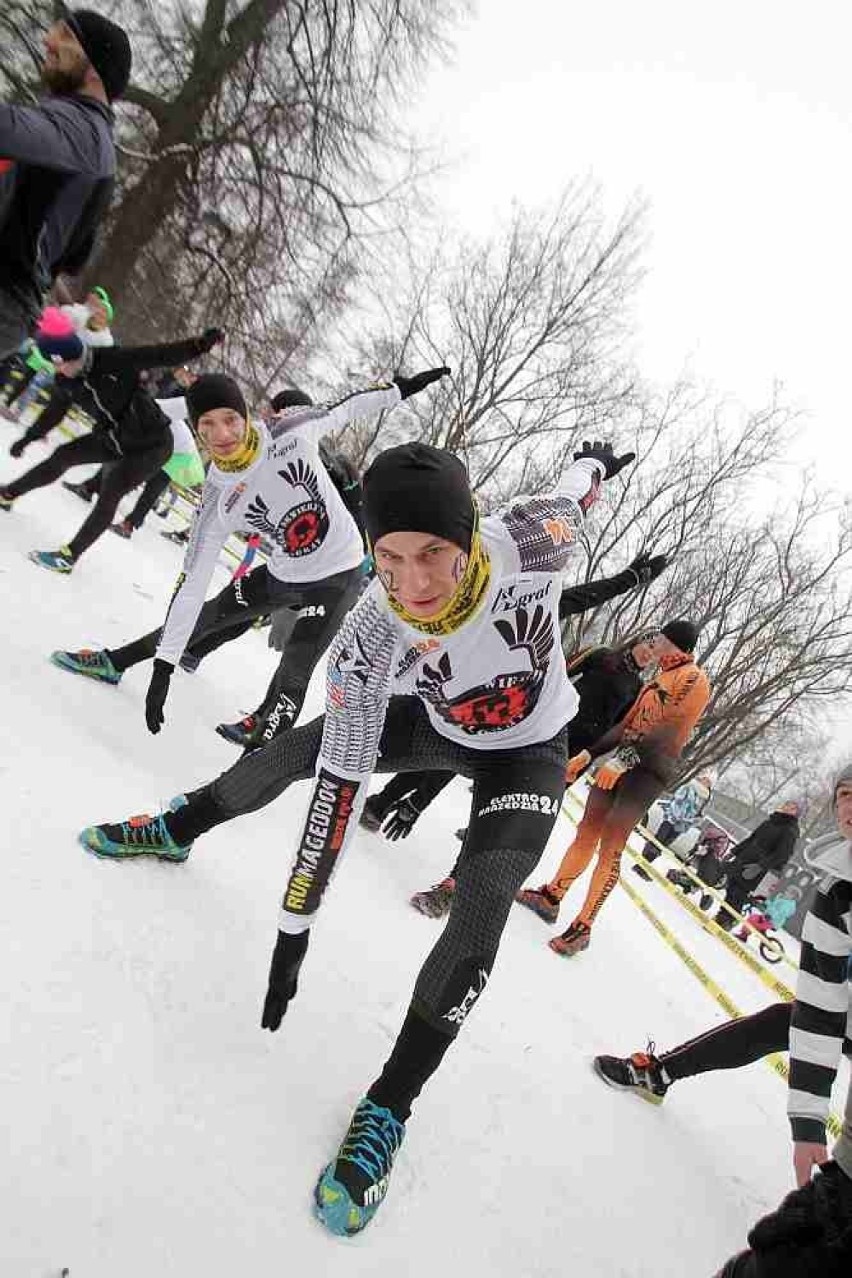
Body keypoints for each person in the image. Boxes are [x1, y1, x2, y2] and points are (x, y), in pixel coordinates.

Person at [74, 436, 634, 1235]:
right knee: (299, 748)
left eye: (435, 553)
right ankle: (180, 825)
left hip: (529, 750)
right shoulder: (372, 633)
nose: (416, 583)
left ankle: (389, 1105)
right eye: (392, 559)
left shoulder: (535, 541)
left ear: (471, 532)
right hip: (441, 727)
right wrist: (294, 927)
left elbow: (570, 492)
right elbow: (336, 791)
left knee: (482, 902)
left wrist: (595, 468)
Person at [50, 369, 449, 733]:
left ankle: (260, 739)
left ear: (244, 415)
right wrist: (163, 666)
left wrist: (398, 389)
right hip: (282, 572)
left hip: (339, 574)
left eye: (229, 419)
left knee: (294, 670)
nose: (222, 434)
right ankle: (115, 662)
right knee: (203, 619)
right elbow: (191, 585)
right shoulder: (218, 495)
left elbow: (347, 405)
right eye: (206, 425)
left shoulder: (291, 428)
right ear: (197, 430)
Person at [359, 550, 669, 845]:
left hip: (506, 706)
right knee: (430, 744)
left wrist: (629, 579)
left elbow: (585, 597)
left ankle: (414, 806)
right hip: (460, 683)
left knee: (459, 755)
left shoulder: (542, 600)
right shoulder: (491, 582)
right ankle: (380, 798)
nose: (648, 651)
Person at [397, 613, 671, 919]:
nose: (649, 653)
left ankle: (453, 885)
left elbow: (617, 729)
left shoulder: (638, 689)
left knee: (513, 813)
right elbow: (557, 674)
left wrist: (589, 756)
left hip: (571, 755)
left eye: (656, 652)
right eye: (649, 644)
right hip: (541, 730)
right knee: (484, 781)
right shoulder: (601, 655)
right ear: (637, 641)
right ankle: (413, 803)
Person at [712, 765, 852, 1277]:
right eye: (843, 795)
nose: (849, 808)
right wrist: (810, 1118)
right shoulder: (838, 891)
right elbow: (818, 1003)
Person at [517, 620, 710, 955]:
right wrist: (588, 754)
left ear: (674, 643)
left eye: (661, 639)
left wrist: (626, 760)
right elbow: (625, 724)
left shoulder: (693, 678)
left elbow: (671, 730)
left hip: (648, 770)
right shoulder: (658, 678)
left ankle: (583, 927)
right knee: (586, 832)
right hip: (620, 761)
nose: (656, 645)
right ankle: (551, 896)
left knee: (611, 846)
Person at [0, 314, 221, 570]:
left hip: (152, 442)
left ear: (73, 359)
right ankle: (9, 493)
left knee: (111, 489)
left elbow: (159, 354)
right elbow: (54, 413)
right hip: (113, 436)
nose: (59, 372)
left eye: (60, 365)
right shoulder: (67, 379)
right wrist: (29, 438)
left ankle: (68, 557)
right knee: (63, 454)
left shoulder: (113, 359)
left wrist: (199, 345)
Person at [0, 9, 131, 357]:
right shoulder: (93, 144)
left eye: (66, 37)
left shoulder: (81, 128)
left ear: (96, 70)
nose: (48, 40)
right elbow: (75, 255)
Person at [9, 287, 116, 455]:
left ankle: (40, 431)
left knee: (56, 404)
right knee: (37, 383)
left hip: (75, 373)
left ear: (107, 320)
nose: (99, 314)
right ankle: (17, 411)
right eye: (99, 310)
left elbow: (97, 359)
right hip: (60, 360)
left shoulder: (106, 339)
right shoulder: (83, 321)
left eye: (104, 314)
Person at [714, 802, 803, 931]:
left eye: (793, 807)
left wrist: (760, 866)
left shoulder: (790, 830)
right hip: (744, 858)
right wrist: (734, 851)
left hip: (758, 866)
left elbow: (783, 854)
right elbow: (751, 839)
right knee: (731, 887)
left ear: (796, 813)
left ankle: (729, 919)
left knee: (739, 892)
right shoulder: (769, 822)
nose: (787, 807)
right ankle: (722, 915)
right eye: (787, 804)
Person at [634, 771, 713, 874]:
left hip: (683, 825)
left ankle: (645, 866)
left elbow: (701, 813)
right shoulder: (689, 787)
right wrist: (678, 814)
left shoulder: (706, 798)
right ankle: (640, 864)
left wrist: (695, 820)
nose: (706, 783)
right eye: (705, 779)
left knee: (663, 846)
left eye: (709, 782)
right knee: (657, 841)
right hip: (672, 819)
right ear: (701, 778)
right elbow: (676, 799)